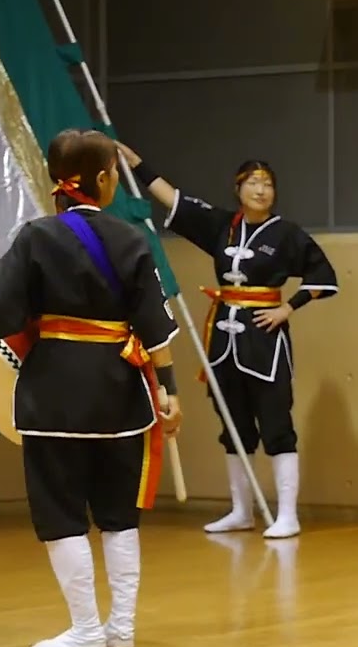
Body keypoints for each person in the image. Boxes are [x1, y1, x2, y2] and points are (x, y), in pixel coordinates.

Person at [0, 128, 183, 647]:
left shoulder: (36, 237)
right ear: (102, 179)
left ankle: (87, 629)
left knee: (61, 513)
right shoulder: (134, 239)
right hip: (120, 396)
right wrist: (171, 392)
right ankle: (122, 628)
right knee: (119, 514)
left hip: (53, 396)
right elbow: (157, 328)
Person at [118, 145, 338, 540]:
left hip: (265, 338)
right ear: (238, 189)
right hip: (222, 337)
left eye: (267, 184)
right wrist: (138, 165)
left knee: (275, 423)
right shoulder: (222, 226)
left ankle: (287, 514)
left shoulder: (287, 234)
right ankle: (241, 510)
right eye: (253, 183)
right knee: (233, 424)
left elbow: (323, 276)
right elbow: (176, 200)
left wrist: (288, 307)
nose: (261, 190)